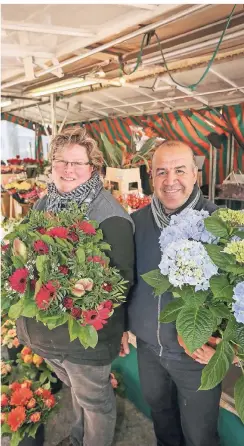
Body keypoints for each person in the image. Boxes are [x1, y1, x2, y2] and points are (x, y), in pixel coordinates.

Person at [16, 126, 134, 446]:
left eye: (77, 163)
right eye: (61, 161)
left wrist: (69, 290)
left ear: (92, 168)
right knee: (77, 392)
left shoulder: (110, 217)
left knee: (96, 402)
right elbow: (25, 249)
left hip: (84, 341)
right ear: (51, 165)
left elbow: (120, 282)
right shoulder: (45, 204)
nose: (68, 169)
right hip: (49, 335)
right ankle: (78, 438)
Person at [124, 140, 222, 446]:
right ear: (151, 178)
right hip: (149, 351)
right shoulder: (136, 223)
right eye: (161, 172)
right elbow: (124, 281)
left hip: (195, 356)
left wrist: (227, 347)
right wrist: (121, 328)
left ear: (195, 174)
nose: (171, 180)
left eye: (180, 170)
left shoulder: (220, 225)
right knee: (162, 418)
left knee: (200, 434)